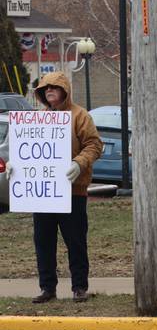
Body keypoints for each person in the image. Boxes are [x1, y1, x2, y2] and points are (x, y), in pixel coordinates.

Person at [18, 72, 102, 303]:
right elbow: (27, 152)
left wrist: (79, 163)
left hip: (73, 191)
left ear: (65, 90)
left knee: (75, 240)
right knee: (43, 241)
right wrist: (17, 168)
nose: (49, 91)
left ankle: (79, 287)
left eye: (54, 87)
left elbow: (94, 145)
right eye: (45, 88)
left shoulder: (80, 116)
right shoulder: (38, 118)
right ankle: (47, 288)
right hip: (43, 193)